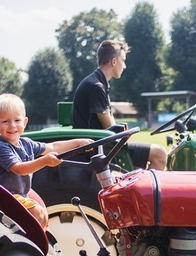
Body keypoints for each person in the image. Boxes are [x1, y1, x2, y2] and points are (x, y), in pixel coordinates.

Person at [0, 93, 91, 228]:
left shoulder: (26, 143)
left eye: (17, 120)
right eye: (5, 121)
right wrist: (45, 161)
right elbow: (19, 169)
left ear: (25, 122)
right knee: (37, 214)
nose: (12, 125)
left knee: (42, 213)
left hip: (19, 195)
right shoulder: (2, 148)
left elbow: (52, 147)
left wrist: (77, 142)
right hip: (3, 196)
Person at [71, 40, 167, 170]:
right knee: (159, 153)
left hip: (99, 143)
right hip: (97, 148)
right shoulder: (96, 86)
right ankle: (147, 190)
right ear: (114, 62)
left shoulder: (98, 82)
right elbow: (110, 128)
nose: (125, 66)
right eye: (123, 60)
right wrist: (123, 131)